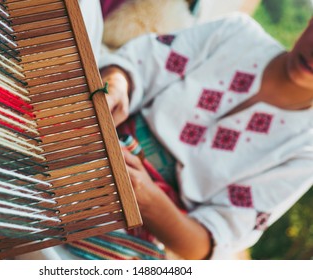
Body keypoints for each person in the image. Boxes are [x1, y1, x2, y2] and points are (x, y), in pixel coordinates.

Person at [98, 13, 313, 259]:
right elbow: (139, 63)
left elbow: (205, 243)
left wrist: (147, 199)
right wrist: (115, 84)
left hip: (133, 228)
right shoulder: (236, 33)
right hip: (99, 137)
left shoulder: (306, 151)